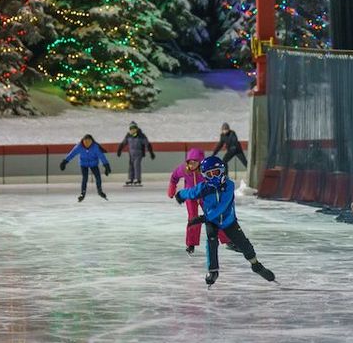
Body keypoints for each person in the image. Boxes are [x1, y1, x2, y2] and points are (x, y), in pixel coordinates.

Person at [175, 156, 275, 286]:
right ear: (205, 176)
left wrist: (204, 218)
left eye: (216, 172)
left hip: (228, 221)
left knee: (244, 244)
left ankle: (255, 264)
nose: (213, 177)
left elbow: (222, 206)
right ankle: (213, 271)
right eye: (209, 174)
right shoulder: (204, 188)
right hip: (212, 222)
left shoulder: (229, 185)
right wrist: (180, 195)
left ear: (222, 171)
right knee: (211, 242)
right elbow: (192, 192)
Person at [167, 148, 230, 254]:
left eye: (194, 162)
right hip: (190, 196)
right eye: (189, 162)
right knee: (193, 218)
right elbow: (174, 177)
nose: (191, 165)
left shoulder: (205, 170)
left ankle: (227, 240)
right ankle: (191, 244)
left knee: (214, 215)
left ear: (200, 162)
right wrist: (172, 188)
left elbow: (216, 179)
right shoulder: (183, 169)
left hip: (204, 196)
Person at [60, 134, 110, 202]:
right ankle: (82, 193)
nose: (87, 144)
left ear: (92, 141)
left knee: (98, 177)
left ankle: (99, 191)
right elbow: (72, 154)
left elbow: (102, 156)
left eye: (89, 142)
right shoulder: (79, 147)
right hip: (83, 164)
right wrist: (65, 161)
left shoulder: (95, 147)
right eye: (85, 142)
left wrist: (106, 166)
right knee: (85, 178)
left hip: (94, 163)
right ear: (83, 141)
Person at [116, 122, 155, 186]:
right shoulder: (128, 136)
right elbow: (123, 143)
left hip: (139, 153)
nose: (132, 130)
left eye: (134, 129)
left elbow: (147, 144)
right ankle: (130, 179)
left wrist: (151, 153)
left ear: (136, 129)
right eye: (131, 129)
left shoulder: (141, 136)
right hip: (131, 154)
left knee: (136, 165)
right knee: (131, 166)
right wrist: (119, 150)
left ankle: (137, 179)